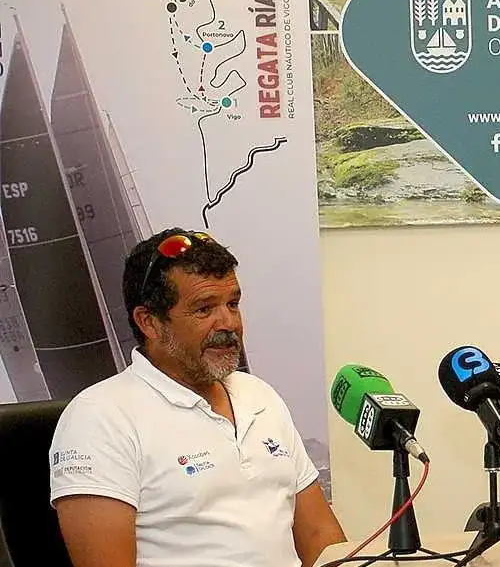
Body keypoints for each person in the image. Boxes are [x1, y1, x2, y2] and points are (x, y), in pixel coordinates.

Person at [49, 229, 346, 567]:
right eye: (204, 309)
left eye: (232, 304)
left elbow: (319, 536)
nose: (228, 323)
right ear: (149, 322)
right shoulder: (100, 417)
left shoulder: (260, 396)